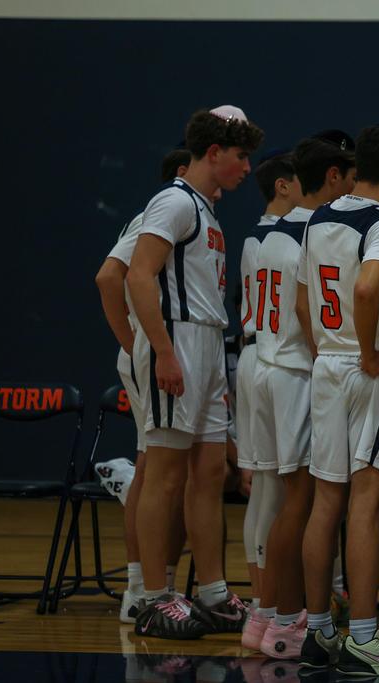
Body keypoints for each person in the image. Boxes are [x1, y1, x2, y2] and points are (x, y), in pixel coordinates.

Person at [126, 105, 264, 639]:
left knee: (209, 474)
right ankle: (152, 598)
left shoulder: (205, 209)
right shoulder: (175, 201)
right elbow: (138, 276)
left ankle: (213, 594)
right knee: (163, 475)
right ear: (213, 152)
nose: (247, 168)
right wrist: (163, 352)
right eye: (241, 156)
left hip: (205, 343)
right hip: (178, 339)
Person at [297, 122, 379, 675]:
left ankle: (318, 631)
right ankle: (365, 639)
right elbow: (368, 287)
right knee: (367, 505)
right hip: (372, 370)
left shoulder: (318, 217)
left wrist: (327, 351)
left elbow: (302, 303)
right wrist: (370, 351)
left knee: (325, 502)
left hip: (327, 364)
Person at [241, 131, 356, 659]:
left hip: (264, 364)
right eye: (349, 178)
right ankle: (287, 620)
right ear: (331, 177)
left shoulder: (269, 233)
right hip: (295, 370)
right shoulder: (318, 231)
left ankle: (265, 616)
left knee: (277, 500)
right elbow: (310, 313)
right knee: (298, 503)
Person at [94, 148, 192, 623]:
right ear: (184, 172)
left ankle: (147, 589)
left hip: (152, 351)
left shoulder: (171, 216)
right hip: (150, 351)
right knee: (155, 470)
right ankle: (141, 591)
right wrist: (134, 342)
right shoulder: (160, 214)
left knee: (154, 468)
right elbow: (107, 277)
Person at [238, 150, 298, 612]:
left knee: (264, 487)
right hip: (273, 355)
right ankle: (267, 603)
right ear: (283, 185)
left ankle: (262, 602)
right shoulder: (281, 237)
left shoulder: (255, 237)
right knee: (274, 488)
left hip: (255, 353)